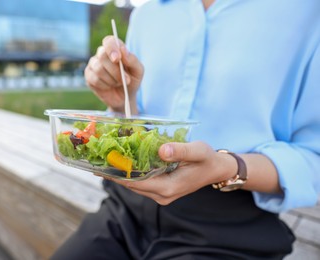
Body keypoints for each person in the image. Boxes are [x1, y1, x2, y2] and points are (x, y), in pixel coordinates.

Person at [51, 0, 320, 259]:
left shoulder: (306, 13)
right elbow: (136, 124)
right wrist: (124, 102)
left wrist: (226, 166)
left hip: (226, 230)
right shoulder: (148, 14)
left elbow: (313, 158)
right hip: (125, 212)